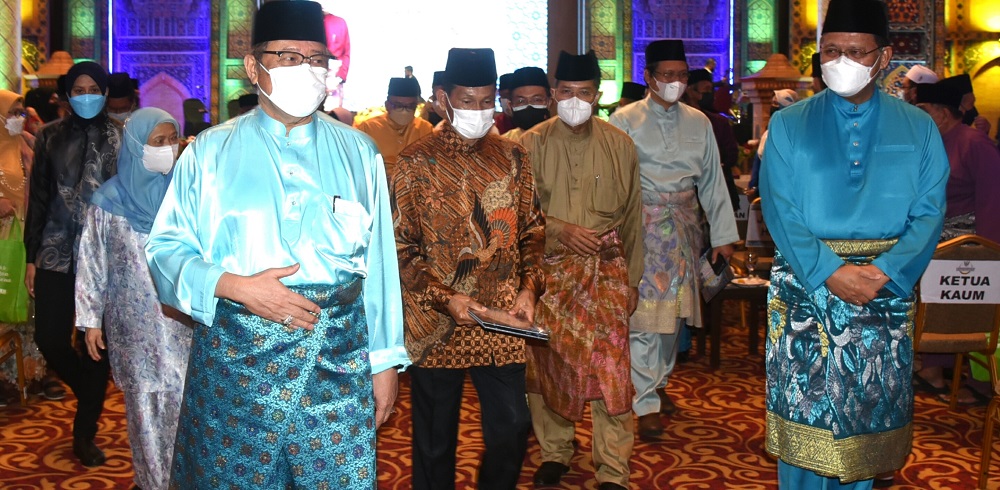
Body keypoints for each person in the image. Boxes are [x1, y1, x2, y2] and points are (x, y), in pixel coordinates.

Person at [145, 2, 408, 487]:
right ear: (254, 67)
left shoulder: (358, 152)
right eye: (288, 57)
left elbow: (380, 266)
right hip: (234, 363)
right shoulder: (208, 153)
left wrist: (386, 361)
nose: (305, 70)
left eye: (315, 59)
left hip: (336, 359)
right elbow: (164, 250)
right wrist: (233, 285)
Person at [759, 0, 950, 487]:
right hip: (806, 287)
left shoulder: (920, 128)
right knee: (805, 417)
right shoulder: (787, 124)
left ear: (884, 58)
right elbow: (780, 210)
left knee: (864, 419)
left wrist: (885, 272)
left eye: (856, 52)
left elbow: (929, 213)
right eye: (831, 51)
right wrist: (830, 271)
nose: (840, 62)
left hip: (883, 292)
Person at [392, 47, 545, 490]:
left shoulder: (513, 157)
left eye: (486, 101)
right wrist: (446, 298)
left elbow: (533, 229)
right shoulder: (416, 161)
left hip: (501, 316)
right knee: (435, 442)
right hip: (438, 317)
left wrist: (529, 288)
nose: (478, 111)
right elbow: (402, 247)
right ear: (442, 98)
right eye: (467, 101)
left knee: (514, 428)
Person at [521, 50, 643, 490]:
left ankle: (613, 468)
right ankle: (555, 451)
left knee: (612, 373)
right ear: (553, 95)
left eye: (585, 93)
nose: (576, 100)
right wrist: (557, 230)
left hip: (607, 273)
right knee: (551, 367)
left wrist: (632, 283)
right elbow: (516, 218)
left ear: (598, 95)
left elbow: (632, 219)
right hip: (549, 276)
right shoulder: (528, 144)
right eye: (567, 92)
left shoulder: (620, 145)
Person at [610, 39, 738, 440]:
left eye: (681, 76)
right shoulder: (623, 119)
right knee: (643, 317)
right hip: (640, 227)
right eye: (666, 75)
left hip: (684, 227)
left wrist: (723, 236)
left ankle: (658, 383)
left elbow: (713, 182)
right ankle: (644, 400)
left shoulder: (699, 121)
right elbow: (614, 181)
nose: (675, 82)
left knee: (672, 318)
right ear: (648, 77)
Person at [76, 107, 190, 490]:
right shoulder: (109, 200)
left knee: (184, 407)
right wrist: (89, 320)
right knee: (143, 414)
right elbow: (93, 261)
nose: (168, 149)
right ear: (137, 145)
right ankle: (153, 482)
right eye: (158, 142)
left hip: (182, 323)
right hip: (133, 328)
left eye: (172, 140)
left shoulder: (185, 196)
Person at [26, 61, 119, 466]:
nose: (85, 95)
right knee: (50, 338)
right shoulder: (49, 136)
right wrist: (31, 257)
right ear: (67, 93)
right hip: (55, 253)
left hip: (103, 259)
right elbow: (39, 198)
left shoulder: (121, 137)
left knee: (96, 348)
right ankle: (89, 392)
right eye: (77, 88)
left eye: (92, 88)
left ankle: (84, 434)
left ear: (103, 90)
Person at [0, 89, 60, 405]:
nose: (17, 117)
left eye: (21, 111)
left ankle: (33, 375)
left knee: (31, 311)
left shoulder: (27, 145)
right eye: (12, 111)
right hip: (3, 245)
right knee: (5, 311)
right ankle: (5, 378)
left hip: (30, 240)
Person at [684, 68, 740, 210]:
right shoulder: (676, 120)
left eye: (711, 90)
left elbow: (731, 154)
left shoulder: (718, 122)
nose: (711, 94)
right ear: (690, 91)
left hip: (717, 194)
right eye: (706, 90)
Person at [355, 77, 433, 177]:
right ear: (387, 105)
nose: (404, 111)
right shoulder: (368, 128)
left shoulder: (426, 129)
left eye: (410, 106)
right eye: (398, 105)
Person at [747, 89, 801, 195]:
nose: (772, 107)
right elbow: (759, 164)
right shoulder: (768, 133)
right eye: (772, 103)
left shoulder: (796, 135)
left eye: (776, 103)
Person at [503, 66, 551, 141]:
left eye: (537, 100)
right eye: (521, 101)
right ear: (510, 106)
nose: (529, 106)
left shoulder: (562, 141)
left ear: (549, 103)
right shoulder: (502, 144)